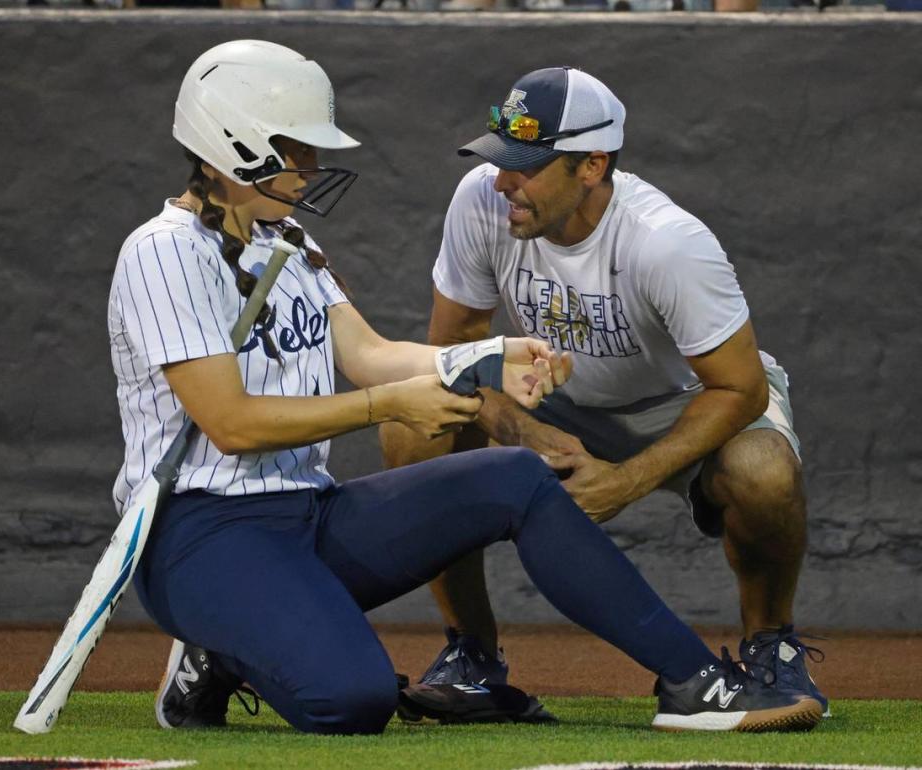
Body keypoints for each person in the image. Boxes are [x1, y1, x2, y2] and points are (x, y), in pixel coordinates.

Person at [110, 41, 821, 736]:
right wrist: (396, 402)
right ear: (236, 145)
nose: (313, 166)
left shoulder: (285, 241)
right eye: (298, 149)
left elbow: (372, 355)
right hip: (202, 534)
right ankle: (225, 642)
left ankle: (695, 683)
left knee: (515, 479)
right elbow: (232, 424)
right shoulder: (163, 254)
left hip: (304, 516)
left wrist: (494, 358)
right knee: (352, 701)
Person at [381, 66, 828, 717]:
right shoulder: (482, 201)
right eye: (498, 160)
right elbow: (453, 355)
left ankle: (770, 650)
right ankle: (472, 658)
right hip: (556, 398)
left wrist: (628, 480)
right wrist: (521, 428)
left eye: (525, 166)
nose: (502, 181)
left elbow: (740, 387)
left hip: (683, 400)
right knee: (415, 424)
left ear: (591, 166)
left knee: (763, 474)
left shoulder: (667, 244)